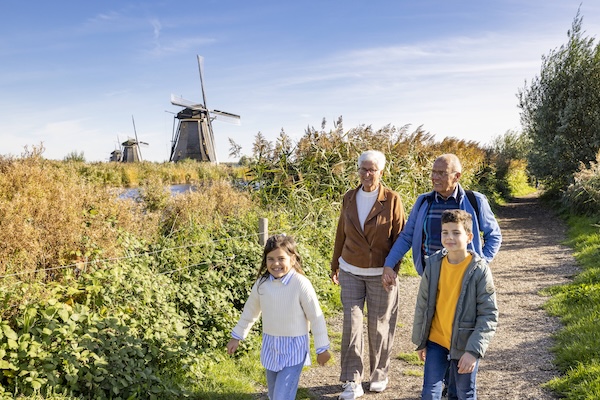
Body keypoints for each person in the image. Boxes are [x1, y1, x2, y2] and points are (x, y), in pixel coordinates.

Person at [330, 150, 406, 399]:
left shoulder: (392, 199)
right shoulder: (349, 197)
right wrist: (335, 265)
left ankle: (379, 374)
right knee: (351, 324)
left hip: (380, 273)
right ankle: (352, 379)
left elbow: (400, 238)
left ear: (381, 172)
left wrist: (392, 269)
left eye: (372, 169)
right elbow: (341, 232)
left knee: (379, 326)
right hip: (351, 269)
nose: (367, 173)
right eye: (363, 168)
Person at [226, 234, 331, 400]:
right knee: (274, 394)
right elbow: (250, 312)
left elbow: (316, 317)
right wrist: (236, 337)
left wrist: (322, 348)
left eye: (281, 258)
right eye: (270, 259)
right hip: (271, 347)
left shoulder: (300, 284)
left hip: (294, 348)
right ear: (265, 260)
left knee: (281, 397)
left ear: (292, 258)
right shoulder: (262, 284)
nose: (276, 264)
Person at [413, 209, 498, 399]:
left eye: (456, 232)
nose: (449, 237)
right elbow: (422, 304)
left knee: (462, 393)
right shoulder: (434, 265)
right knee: (429, 393)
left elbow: (488, 314)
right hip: (436, 341)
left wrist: (474, 351)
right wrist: (421, 341)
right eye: (445, 232)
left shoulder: (479, 270)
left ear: (469, 237)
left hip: (465, 344)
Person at [383, 153, 502, 277]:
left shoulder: (475, 201)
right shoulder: (423, 202)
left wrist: (481, 262)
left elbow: (494, 236)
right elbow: (407, 236)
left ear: (457, 176)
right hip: (431, 273)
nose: (435, 177)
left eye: (441, 173)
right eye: (433, 172)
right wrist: (389, 264)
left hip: (465, 275)